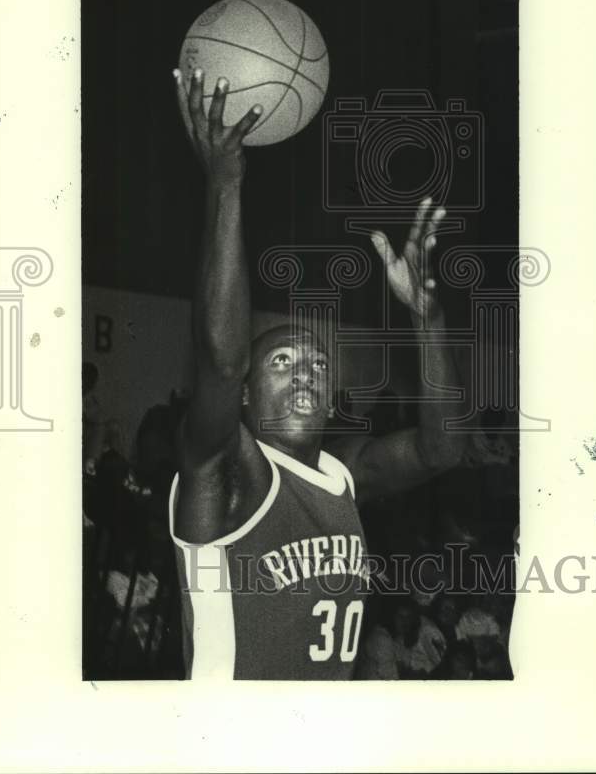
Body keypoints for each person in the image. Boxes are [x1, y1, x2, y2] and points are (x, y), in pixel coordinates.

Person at [169, 68, 508, 680]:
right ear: (243, 395)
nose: (305, 374)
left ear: (334, 398)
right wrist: (225, 185)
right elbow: (219, 360)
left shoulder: (340, 476)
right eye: (281, 361)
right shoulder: (221, 471)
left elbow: (442, 447)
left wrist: (429, 319)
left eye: (318, 364)